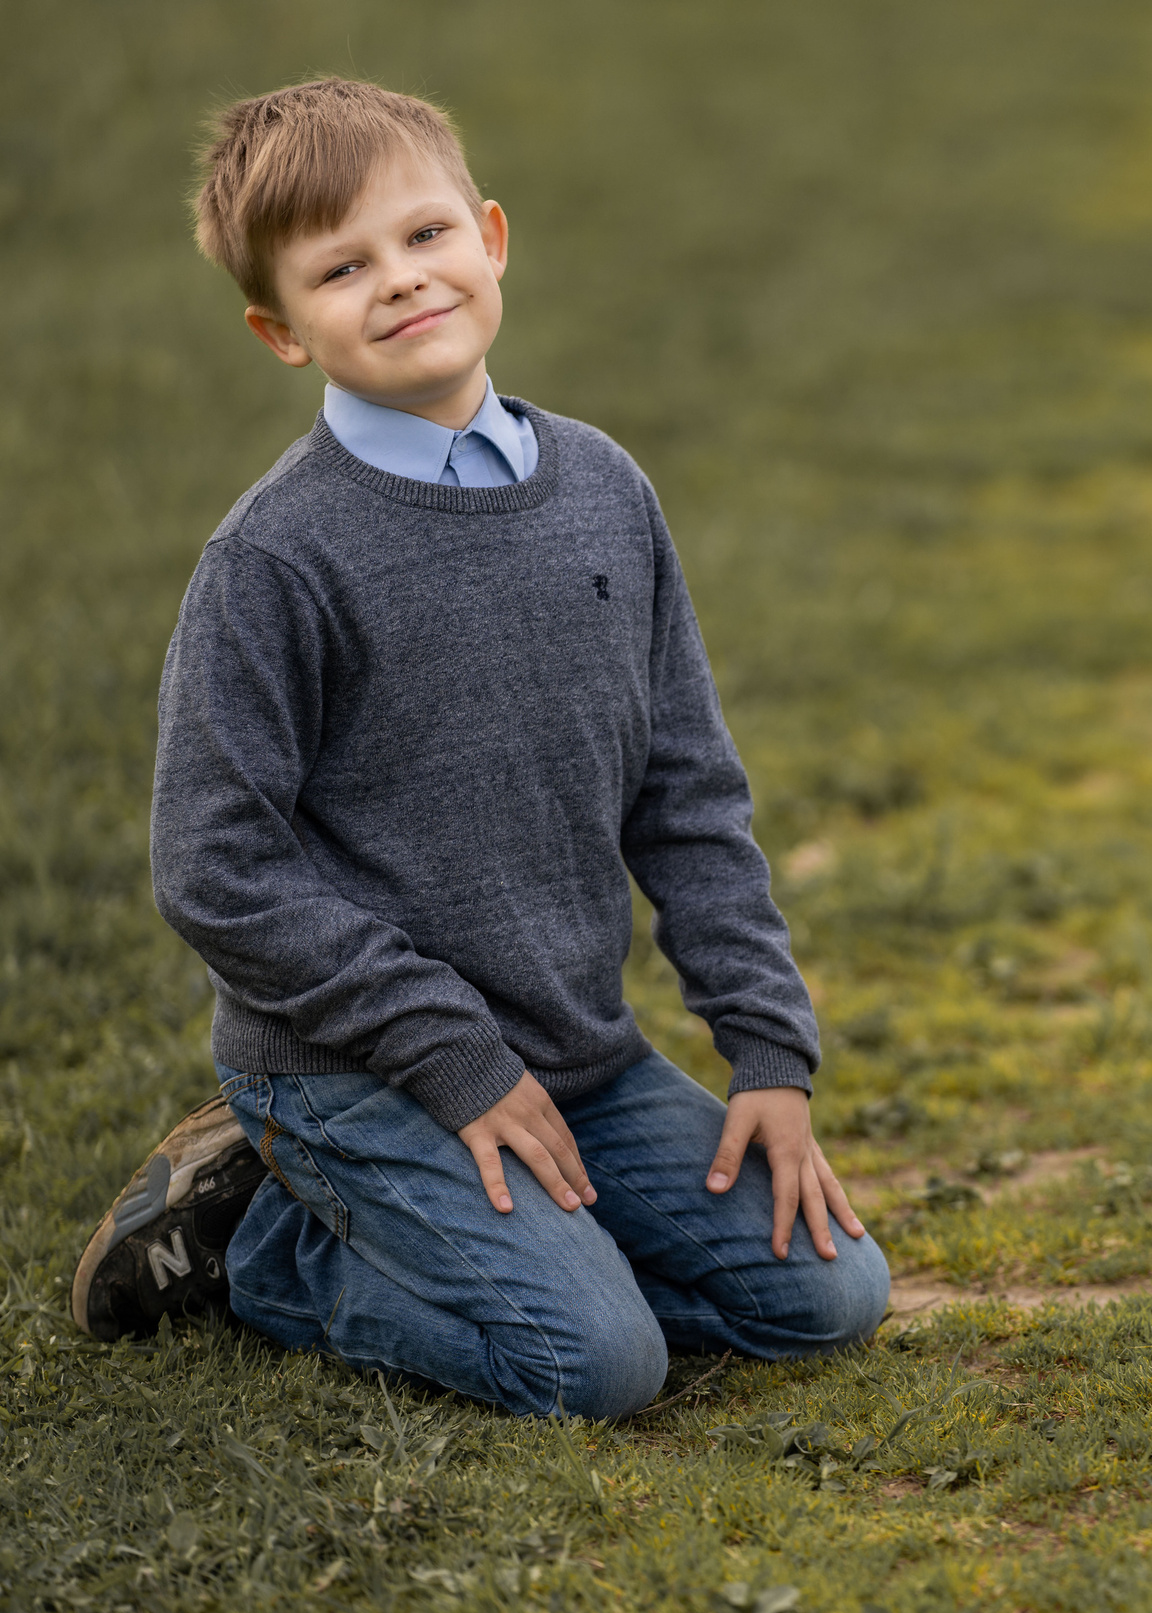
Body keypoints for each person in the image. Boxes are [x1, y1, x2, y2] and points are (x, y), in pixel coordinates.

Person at [70, 78, 889, 1417]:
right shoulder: (276, 561)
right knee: (594, 1364)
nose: (399, 282)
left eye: (424, 236)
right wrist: (454, 1055)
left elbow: (686, 792)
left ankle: (533, 1249)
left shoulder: (606, 493)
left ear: (491, 238)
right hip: (356, 1069)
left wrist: (767, 1054)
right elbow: (212, 867)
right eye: (343, 268)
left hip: (576, 1051)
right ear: (281, 331)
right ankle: (257, 1246)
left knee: (828, 1295)